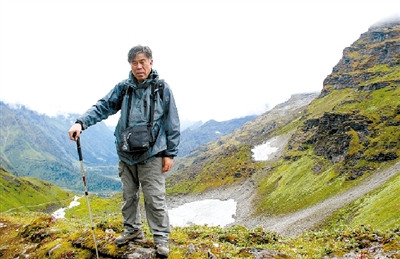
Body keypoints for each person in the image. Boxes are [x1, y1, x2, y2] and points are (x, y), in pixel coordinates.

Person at [68, 45, 180, 258]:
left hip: (152, 154)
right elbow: (103, 106)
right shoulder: (124, 88)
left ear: (151, 62)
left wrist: (170, 153)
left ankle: (161, 239)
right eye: (134, 63)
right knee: (129, 196)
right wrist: (80, 123)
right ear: (130, 65)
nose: (139, 67)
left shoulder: (161, 88)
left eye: (142, 62)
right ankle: (132, 231)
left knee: (154, 199)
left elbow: (172, 122)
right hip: (126, 154)